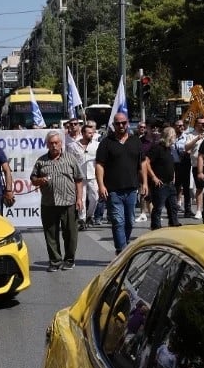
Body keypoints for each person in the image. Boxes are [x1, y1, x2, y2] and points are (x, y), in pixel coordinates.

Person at [95, 112, 149, 254]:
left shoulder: (135, 141)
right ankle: (122, 250)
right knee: (118, 221)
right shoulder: (106, 143)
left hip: (131, 189)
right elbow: (99, 165)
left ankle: (123, 245)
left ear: (128, 123)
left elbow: (142, 163)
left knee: (130, 221)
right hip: (113, 190)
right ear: (113, 125)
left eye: (123, 123)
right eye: (117, 123)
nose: (121, 126)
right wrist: (101, 185)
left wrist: (145, 183)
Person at [31, 131, 83, 271]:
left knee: (70, 234)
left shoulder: (70, 159)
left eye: (57, 143)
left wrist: (79, 199)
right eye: (51, 143)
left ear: (61, 144)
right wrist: (39, 180)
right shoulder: (41, 161)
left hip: (69, 202)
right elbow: (33, 179)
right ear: (47, 145)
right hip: (49, 203)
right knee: (51, 234)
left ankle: (69, 260)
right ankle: (55, 261)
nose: (54, 146)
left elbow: (78, 179)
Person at [145, 127, 180, 229]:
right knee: (158, 208)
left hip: (170, 183)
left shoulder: (169, 149)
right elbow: (146, 162)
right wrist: (154, 177)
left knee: (173, 206)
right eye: (173, 135)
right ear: (169, 136)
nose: (175, 137)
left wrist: (173, 175)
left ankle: (174, 224)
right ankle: (156, 227)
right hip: (160, 184)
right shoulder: (157, 148)